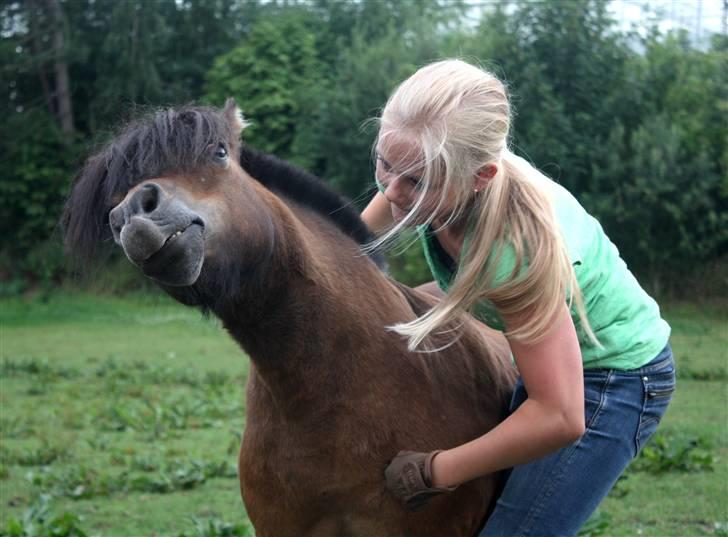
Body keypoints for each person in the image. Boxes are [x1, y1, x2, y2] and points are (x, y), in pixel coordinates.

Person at [361, 59, 675, 537]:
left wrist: (434, 471)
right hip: (556, 365)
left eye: (416, 181)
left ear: (480, 176)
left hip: (612, 379)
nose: (392, 190)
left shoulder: (515, 253)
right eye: (385, 162)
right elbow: (359, 235)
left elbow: (560, 414)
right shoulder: (436, 171)